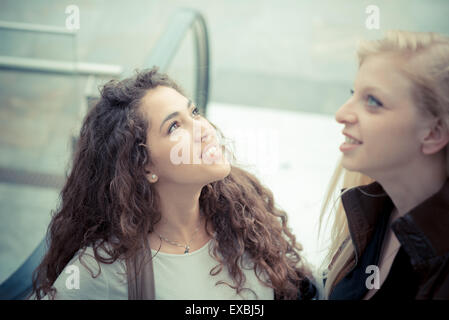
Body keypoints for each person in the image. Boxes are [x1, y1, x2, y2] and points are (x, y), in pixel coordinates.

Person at [30, 67, 317, 300]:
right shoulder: (106, 269)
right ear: (144, 166)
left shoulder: (241, 208)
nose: (203, 128)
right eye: (174, 126)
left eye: (193, 113)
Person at [319, 30, 449, 300]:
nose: (341, 114)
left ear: (433, 133)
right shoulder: (369, 217)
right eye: (353, 93)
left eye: (373, 101)